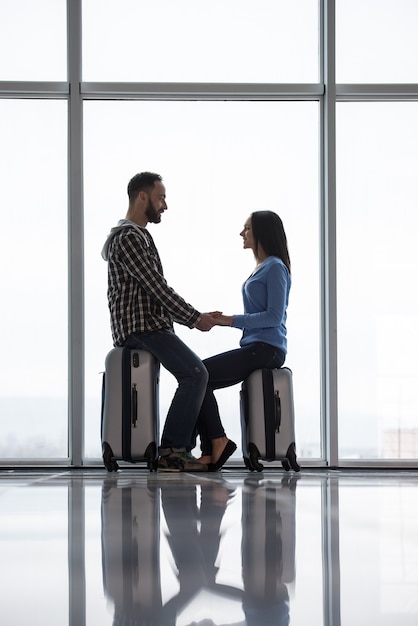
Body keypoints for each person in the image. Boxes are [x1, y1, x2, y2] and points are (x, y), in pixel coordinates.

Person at [101, 171, 228, 472]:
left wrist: (193, 317)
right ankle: (172, 450)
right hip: (142, 327)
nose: (165, 205)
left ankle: (197, 444)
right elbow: (156, 287)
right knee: (196, 373)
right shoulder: (130, 238)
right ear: (142, 197)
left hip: (147, 326)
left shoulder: (137, 237)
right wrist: (195, 319)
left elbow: (152, 291)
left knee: (197, 373)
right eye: (161, 198)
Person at [195, 210, 291, 470]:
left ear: (261, 232)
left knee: (198, 373)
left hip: (267, 348)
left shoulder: (275, 267)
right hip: (255, 346)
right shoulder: (262, 267)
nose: (242, 233)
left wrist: (228, 320)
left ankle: (216, 444)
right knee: (199, 378)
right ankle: (210, 449)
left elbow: (273, 316)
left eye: (247, 228)